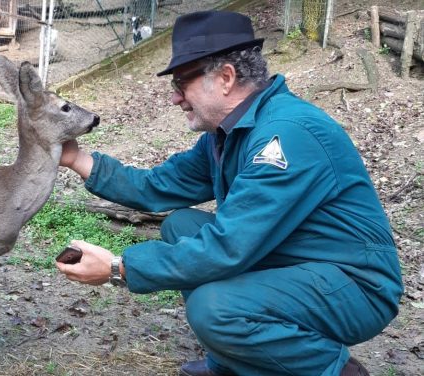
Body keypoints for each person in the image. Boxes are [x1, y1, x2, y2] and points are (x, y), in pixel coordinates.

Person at [55, 10, 403, 376]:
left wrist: (117, 269)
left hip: (355, 285)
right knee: (183, 225)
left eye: (181, 83)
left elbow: (229, 247)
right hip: (294, 260)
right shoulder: (227, 134)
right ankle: (232, 362)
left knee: (214, 308)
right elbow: (157, 186)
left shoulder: (285, 135)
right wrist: (77, 158)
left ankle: (335, 370)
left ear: (225, 77)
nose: (176, 98)